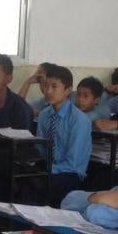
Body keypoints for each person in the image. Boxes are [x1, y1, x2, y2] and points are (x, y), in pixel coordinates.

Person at [36, 65, 91, 207]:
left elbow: (73, 163)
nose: (48, 91)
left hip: (70, 174)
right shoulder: (44, 115)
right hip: (48, 169)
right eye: (46, 86)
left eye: (54, 87)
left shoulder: (80, 120)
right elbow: (40, 148)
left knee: (48, 186)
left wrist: (47, 170)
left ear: (68, 90)